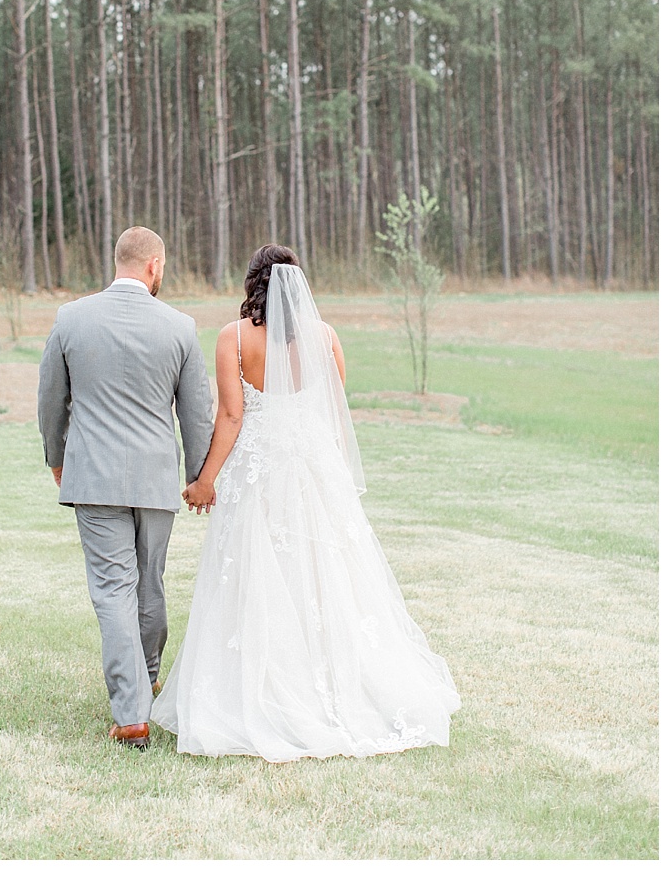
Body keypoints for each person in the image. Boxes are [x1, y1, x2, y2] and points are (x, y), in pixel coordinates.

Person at [151, 244, 461, 760]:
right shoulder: (326, 337)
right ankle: (334, 687)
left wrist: (205, 480)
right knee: (323, 575)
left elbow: (230, 417)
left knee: (258, 574)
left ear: (252, 284)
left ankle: (267, 690)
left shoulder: (233, 337)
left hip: (260, 474)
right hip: (314, 471)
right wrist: (333, 474)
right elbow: (334, 412)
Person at [38, 225, 212, 750]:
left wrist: (56, 457)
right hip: (156, 479)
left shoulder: (71, 318)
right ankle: (147, 678)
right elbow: (197, 412)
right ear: (154, 265)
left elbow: (50, 399)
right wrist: (199, 476)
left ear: (120, 262)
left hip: (93, 477)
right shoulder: (180, 327)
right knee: (148, 583)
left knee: (114, 589)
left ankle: (132, 711)